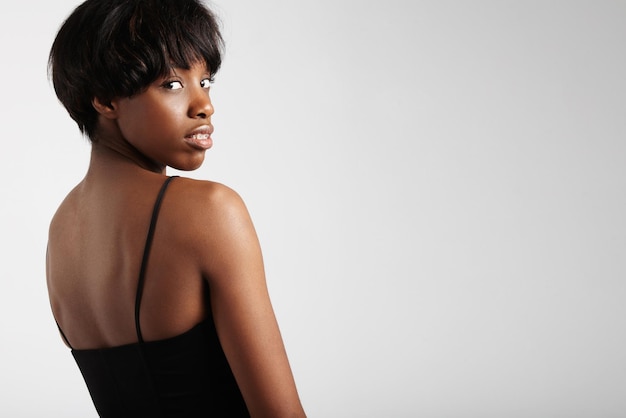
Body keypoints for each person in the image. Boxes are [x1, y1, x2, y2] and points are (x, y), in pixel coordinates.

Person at [45, 0, 307, 416]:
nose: (204, 105)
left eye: (205, 81)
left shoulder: (61, 230)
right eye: (172, 84)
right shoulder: (209, 210)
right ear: (105, 100)